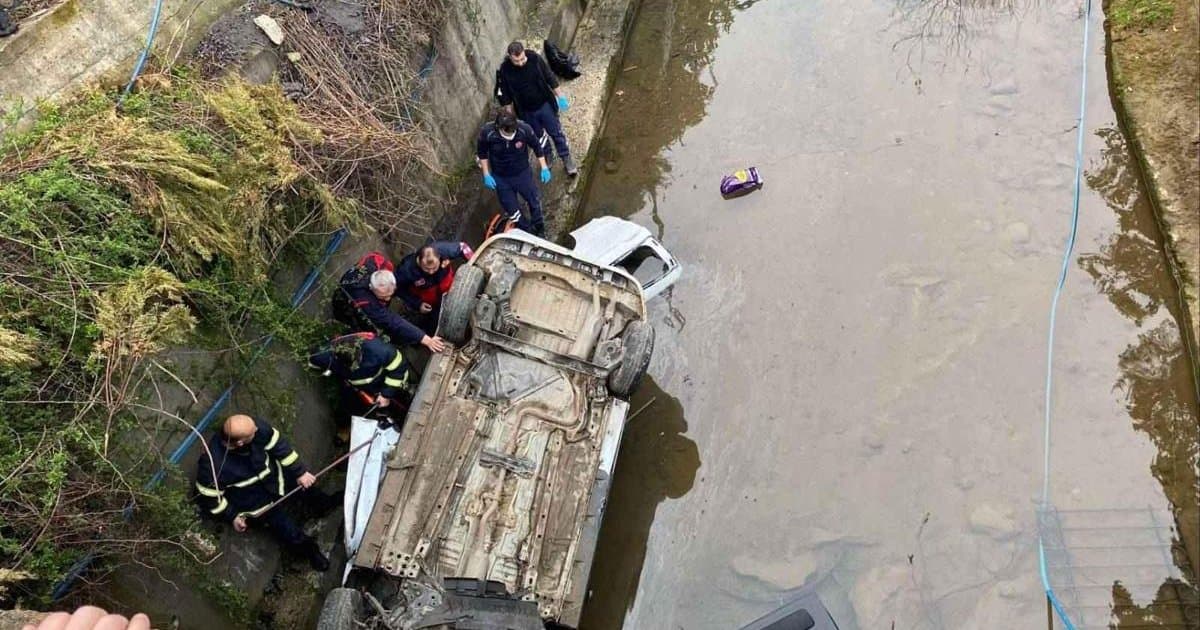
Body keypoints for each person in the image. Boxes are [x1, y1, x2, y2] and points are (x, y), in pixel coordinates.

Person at [193, 415, 335, 572]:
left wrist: (300, 472)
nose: (258, 430)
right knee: (286, 529)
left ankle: (325, 504)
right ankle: (310, 551)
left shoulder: (254, 427)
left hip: (277, 480)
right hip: (258, 503)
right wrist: (232, 516)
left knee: (308, 490)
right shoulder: (212, 466)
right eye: (253, 432)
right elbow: (210, 498)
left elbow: (280, 446)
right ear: (239, 443)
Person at [332, 251, 446, 353]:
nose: (387, 299)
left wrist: (417, 303)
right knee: (369, 327)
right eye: (384, 297)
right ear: (372, 288)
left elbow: (398, 288)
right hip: (346, 306)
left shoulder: (381, 265)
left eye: (389, 295)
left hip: (358, 287)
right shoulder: (366, 302)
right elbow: (392, 321)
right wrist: (425, 339)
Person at [494, 40, 577, 176]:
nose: (520, 63)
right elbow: (506, 95)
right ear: (510, 57)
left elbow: (549, 77)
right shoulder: (505, 70)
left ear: (524, 53)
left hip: (544, 105)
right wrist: (510, 115)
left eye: (522, 59)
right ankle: (547, 155)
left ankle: (566, 157)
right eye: (517, 61)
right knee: (539, 137)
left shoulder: (534, 59)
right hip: (526, 111)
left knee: (556, 132)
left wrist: (560, 96)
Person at [307, 332, 415, 422]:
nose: (355, 367)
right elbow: (313, 359)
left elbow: (398, 368)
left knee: (403, 399)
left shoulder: (381, 351)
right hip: (362, 389)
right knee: (350, 407)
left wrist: (386, 394)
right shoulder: (324, 356)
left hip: (387, 381)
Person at [477, 108, 552, 236]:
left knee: (534, 201)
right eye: (507, 132)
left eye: (512, 131)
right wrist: (486, 174)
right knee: (513, 211)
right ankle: (527, 231)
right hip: (501, 178)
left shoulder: (524, 129)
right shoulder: (488, 133)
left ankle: (539, 229)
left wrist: (544, 166)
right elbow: (482, 153)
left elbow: (537, 146)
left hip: (522, 173)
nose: (510, 134)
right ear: (499, 128)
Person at [393, 241, 474, 332]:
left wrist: (473, 263)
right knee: (434, 322)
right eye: (427, 268)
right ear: (419, 260)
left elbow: (463, 247)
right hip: (431, 303)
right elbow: (397, 288)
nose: (431, 272)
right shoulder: (407, 270)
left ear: (439, 258)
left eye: (434, 267)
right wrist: (417, 304)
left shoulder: (443, 250)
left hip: (451, 288)